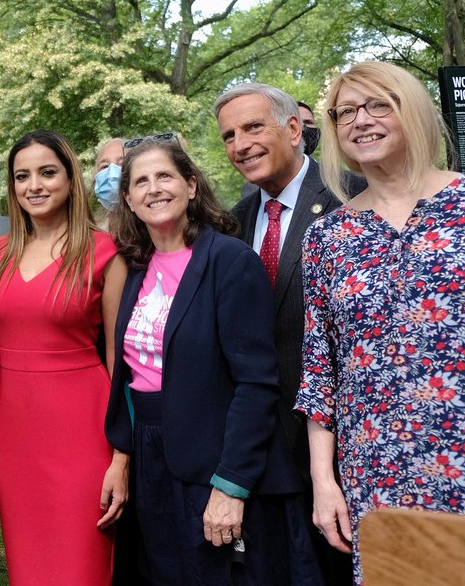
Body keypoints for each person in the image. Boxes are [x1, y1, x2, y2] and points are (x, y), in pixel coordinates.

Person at [106, 138, 322, 585]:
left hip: (214, 457)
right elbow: (131, 377)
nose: (153, 189)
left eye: (164, 176)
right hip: (152, 456)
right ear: (127, 198)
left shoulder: (230, 260)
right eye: (140, 181)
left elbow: (257, 383)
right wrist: (122, 457)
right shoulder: (137, 266)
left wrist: (231, 485)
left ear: (190, 184)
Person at [296, 61, 465, 584]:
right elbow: (320, 370)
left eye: (377, 104)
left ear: (410, 109)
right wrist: (324, 481)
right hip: (379, 471)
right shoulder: (327, 238)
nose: (360, 120)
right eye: (345, 111)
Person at [215, 83, 356, 583]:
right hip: (266, 449)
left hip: (341, 443)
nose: (240, 144)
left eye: (253, 127)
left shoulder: (350, 197)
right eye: (229, 135)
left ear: (294, 129)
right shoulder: (234, 222)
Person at [0, 130, 129, 585]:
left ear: (71, 179)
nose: (35, 185)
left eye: (48, 172)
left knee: (81, 567)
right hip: (13, 437)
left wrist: (121, 460)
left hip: (83, 435)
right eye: (22, 176)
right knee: (29, 568)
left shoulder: (105, 253)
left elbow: (119, 364)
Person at [93, 137, 125, 230]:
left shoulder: (157, 229)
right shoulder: (90, 235)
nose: (112, 173)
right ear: (95, 181)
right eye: (105, 166)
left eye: (123, 164)